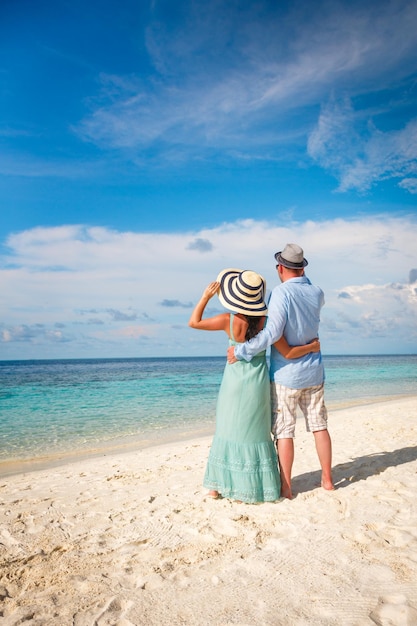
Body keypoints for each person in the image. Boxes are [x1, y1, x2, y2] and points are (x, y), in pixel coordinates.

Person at [189, 268, 320, 503]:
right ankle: (250, 487)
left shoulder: (226, 321)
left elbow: (194, 322)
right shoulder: (266, 324)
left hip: (232, 383)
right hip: (257, 383)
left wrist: (206, 297)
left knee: (228, 428)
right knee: (254, 432)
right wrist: (311, 347)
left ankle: (216, 487)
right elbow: (288, 352)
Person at [227, 245, 334, 500]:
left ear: (281, 268)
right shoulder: (318, 292)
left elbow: (273, 333)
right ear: (303, 267)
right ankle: (327, 480)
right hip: (314, 371)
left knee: (285, 431)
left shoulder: (280, 293)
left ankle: (286, 487)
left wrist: (243, 350)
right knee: (319, 427)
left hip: (287, 375)